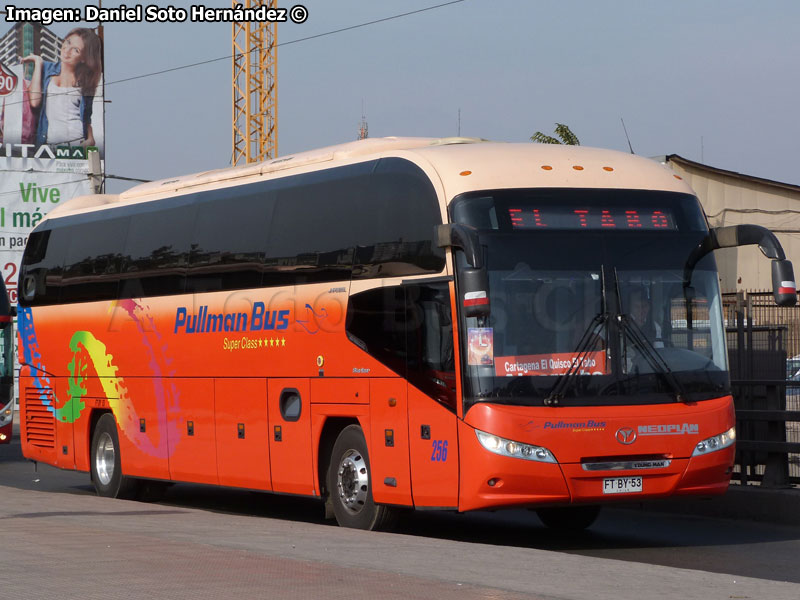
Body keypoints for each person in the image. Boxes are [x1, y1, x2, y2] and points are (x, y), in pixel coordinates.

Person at [21, 28, 102, 147]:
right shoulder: (46, 68)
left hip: (77, 143)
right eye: (68, 42)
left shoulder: (86, 81)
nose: (67, 50)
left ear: (84, 58)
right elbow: (34, 101)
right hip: (48, 143)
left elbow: (86, 116)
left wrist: (90, 139)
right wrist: (38, 63)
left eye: (76, 50)